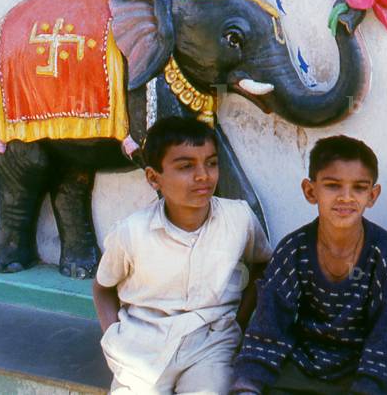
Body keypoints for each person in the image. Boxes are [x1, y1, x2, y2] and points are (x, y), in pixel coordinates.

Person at [92, 116, 271, 394]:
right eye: (186, 166)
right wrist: (113, 335)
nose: (203, 175)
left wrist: (239, 321)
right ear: (154, 178)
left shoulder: (239, 218)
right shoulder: (131, 232)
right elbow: (103, 287)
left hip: (212, 344)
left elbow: (263, 264)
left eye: (211, 163)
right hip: (141, 348)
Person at [229, 135, 387, 394]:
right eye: (332, 186)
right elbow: (269, 325)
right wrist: (248, 386)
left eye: (359, 188)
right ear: (310, 191)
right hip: (302, 363)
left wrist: (369, 387)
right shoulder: (294, 249)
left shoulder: (384, 251)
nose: (346, 197)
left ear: (372, 195)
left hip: (362, 366)